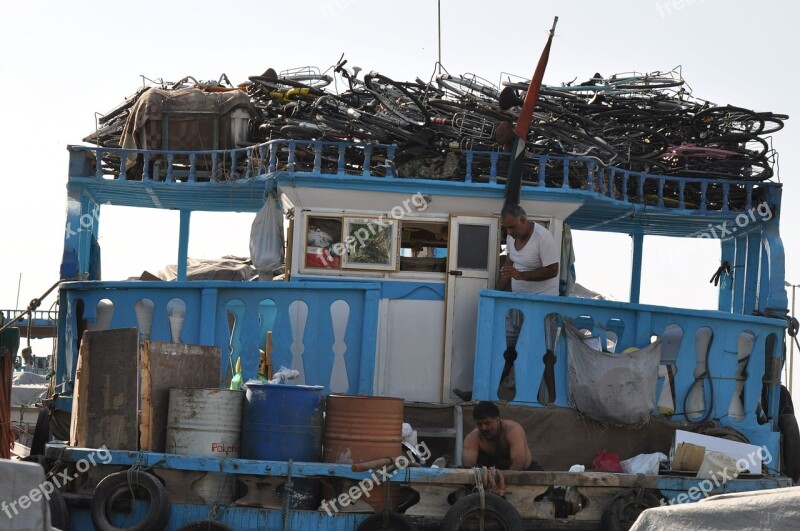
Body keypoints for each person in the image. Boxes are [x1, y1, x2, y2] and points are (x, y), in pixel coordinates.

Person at [497, 203, 559, 295]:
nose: (509, 232)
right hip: (518, 299)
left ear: (523, 220)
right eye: (506, 228)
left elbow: (553, 270)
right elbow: (507, 266)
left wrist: (520, 275)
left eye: (512, 227)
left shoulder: (543, 237)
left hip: (543, 301)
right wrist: (495, 293)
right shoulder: (510, 237)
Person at [462, 401, 541, 471]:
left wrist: (503, 482)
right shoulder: (472, 438)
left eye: (487, 423)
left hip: (524, 471)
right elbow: (468, 469)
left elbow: (519, 462)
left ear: (497, 419)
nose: (483, 428)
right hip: (489, 474)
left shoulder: (513, 430)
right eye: (479, 424)